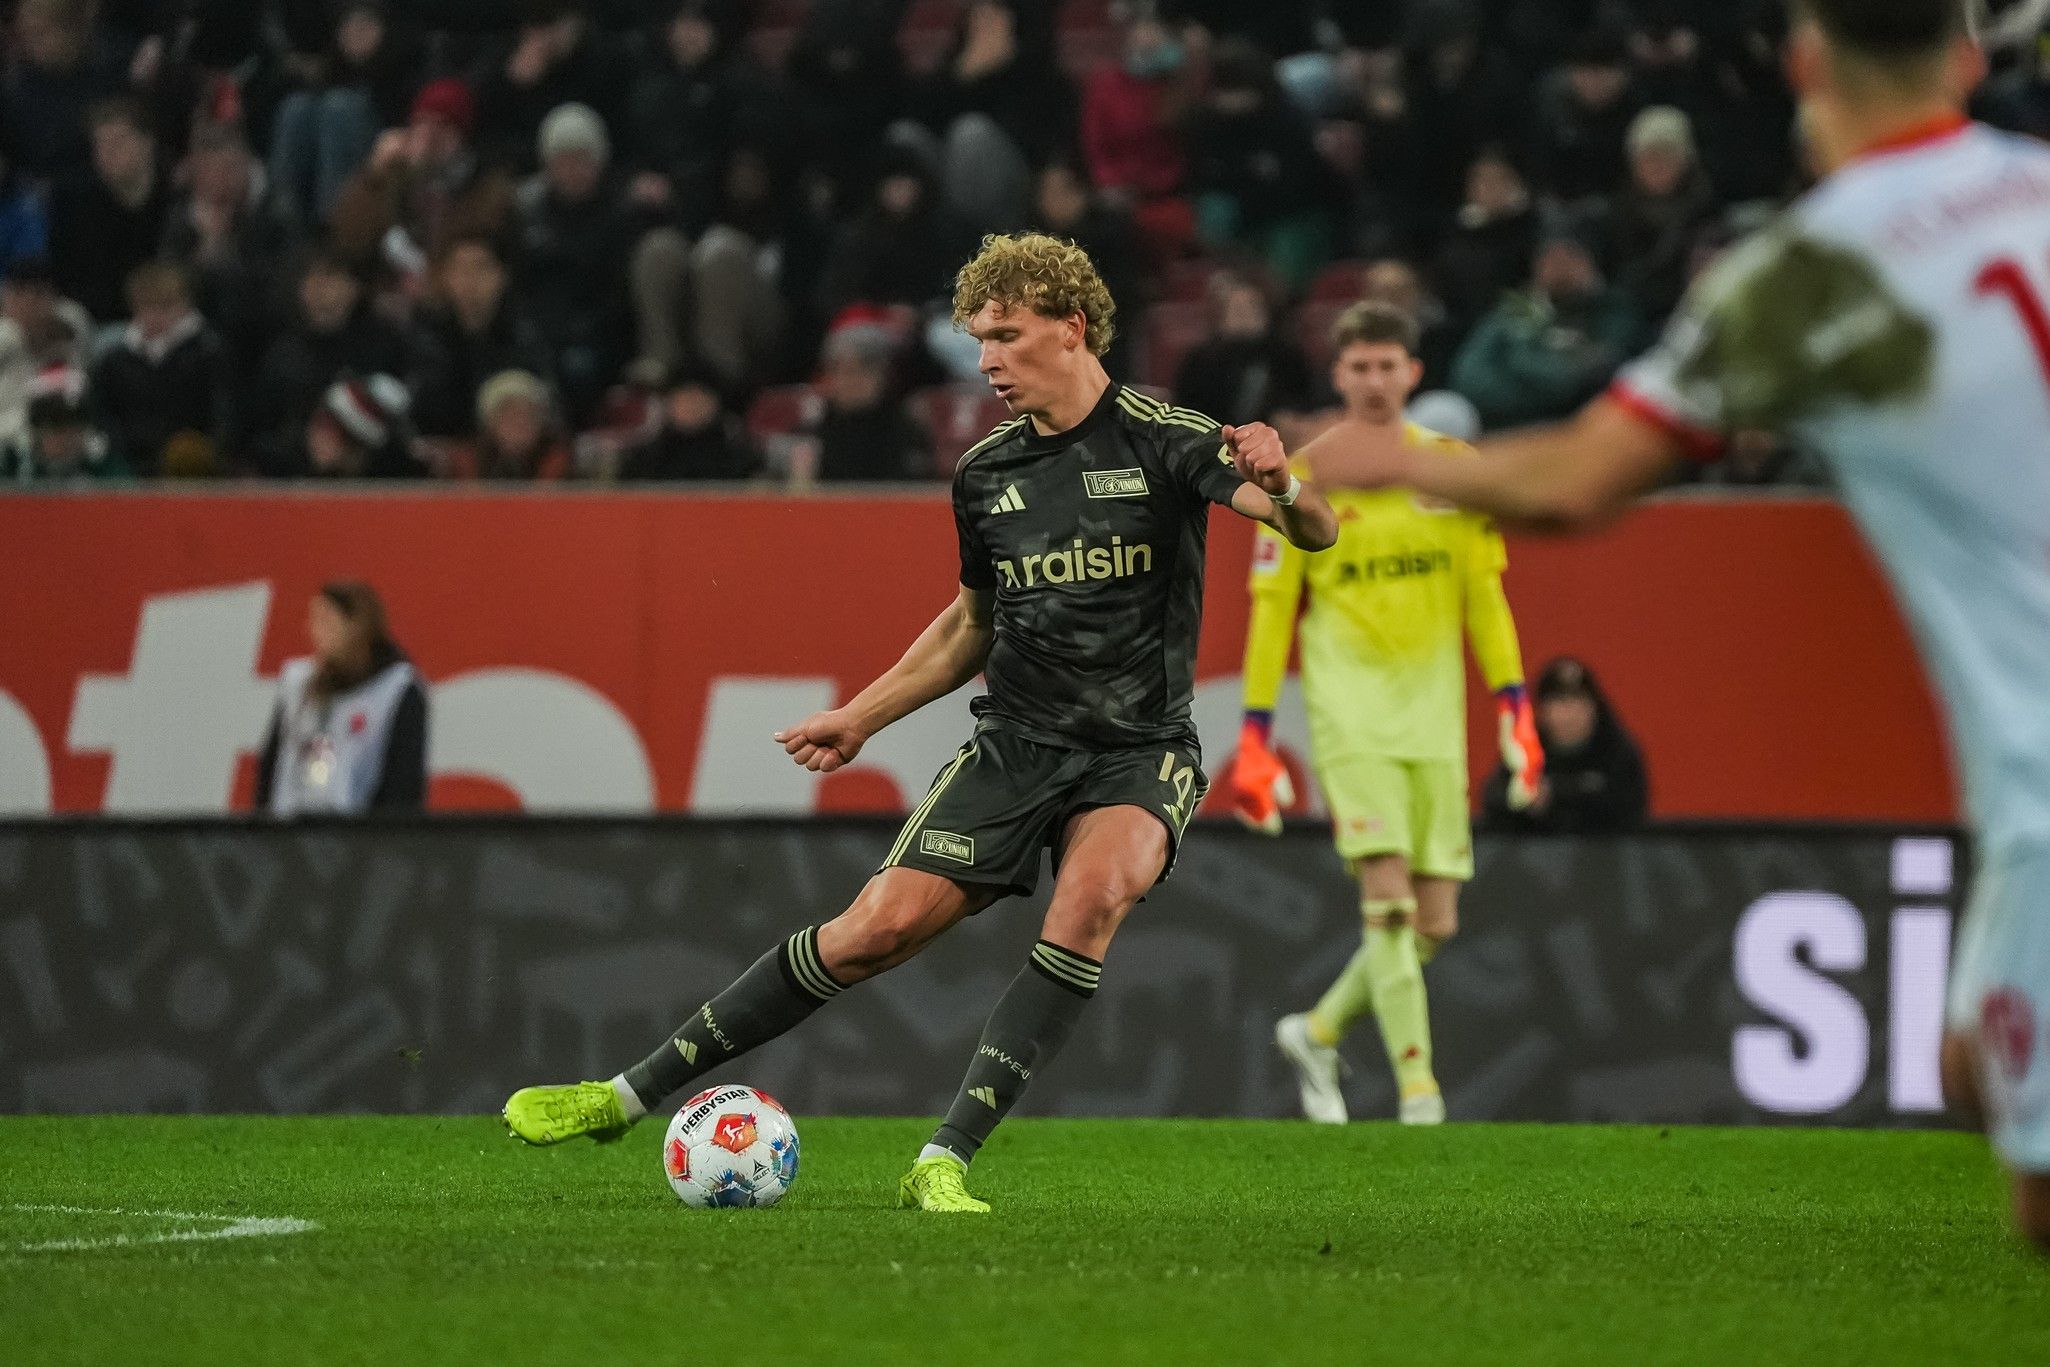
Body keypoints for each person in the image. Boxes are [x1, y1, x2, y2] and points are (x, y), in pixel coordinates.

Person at [1322, 0, 2050, 1251]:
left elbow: (1574, 483)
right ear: (1970, 53)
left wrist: (1390, 457)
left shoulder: (1804, 274)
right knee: (1967, 1063)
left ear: (1803, 57)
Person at [502, 231, 1338, 1213]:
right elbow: (968, 627)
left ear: (1072, 328)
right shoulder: (986, 473)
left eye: (1005, 336)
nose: (986, 360)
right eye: (977, 339)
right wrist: (858, 716)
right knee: (871, 931)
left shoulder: (1164, 433)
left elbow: (1310, 527)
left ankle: (943, 1157)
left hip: (1137, 749)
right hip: (1014, 745)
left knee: (1094, 892)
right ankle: (621, 1095)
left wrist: (1282, 481)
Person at [1222, 301, 1540, 1127]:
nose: (1372, 379)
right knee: (1392, 908)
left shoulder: (1450, 471)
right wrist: (1254, 736)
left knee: (1435, 919)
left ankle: (1317, 1029)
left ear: (1413, 372)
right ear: (1338, 374)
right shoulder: (1301, 474)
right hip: (1350, 718)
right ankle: (1419, 1094)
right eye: (1357, 366)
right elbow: (1270, 612)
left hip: (1436, 724)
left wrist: (1515, 703)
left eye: (1386, 364)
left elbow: (1485, 598)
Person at [253, 582, 428, 817]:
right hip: (287, 837)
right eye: (313, 620)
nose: (313, 631)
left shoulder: (393, 691)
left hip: (358, 842)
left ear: (356, 626)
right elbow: (270, 769)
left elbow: (403, 782)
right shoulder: (297, 685)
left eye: (326, 620)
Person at [90, 260, 232, 476]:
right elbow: (105, 415)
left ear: (184, 305)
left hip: (193, 469)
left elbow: (222, 413)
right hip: (131, 466)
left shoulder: (208, 353)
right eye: (147, 306)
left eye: (165, 306)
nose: (155, 316)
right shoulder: (116, 360)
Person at [1481, 656, 1648, 832]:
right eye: (1559, 702)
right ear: (1542, 711)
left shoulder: (1617, 751)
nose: (1570, 713)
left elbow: (1630, 808)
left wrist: (1558, 796)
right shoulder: (1523, 751)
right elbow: (1494, 799)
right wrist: (1524, 801)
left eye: (1579, 701)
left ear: (1595, 708)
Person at [47, 96, 169, 322]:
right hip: (102, 322)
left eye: (119, 140)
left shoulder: (175, 199)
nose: (109, 152)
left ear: (148, 142)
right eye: (101, 144)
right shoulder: (79, 206)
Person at [1170, 273, 1314, 426]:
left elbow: (1303, 407)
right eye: (1236, 308)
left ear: (1267, 312)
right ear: (1221, 315)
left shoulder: (1289, 359)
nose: (1244, 315)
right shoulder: (1199, 361)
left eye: (1251, 307)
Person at [0, 366, 128, 485]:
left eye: (74, 424)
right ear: (36, 431)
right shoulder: (14, 466)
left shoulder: (104, 466)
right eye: (55, 426)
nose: (66, 437)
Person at [443, 369, 573, 481]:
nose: (519, 424)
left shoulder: (559, 461)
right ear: (491, 422)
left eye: (528, 416)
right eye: (510, 416)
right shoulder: (468, 461)